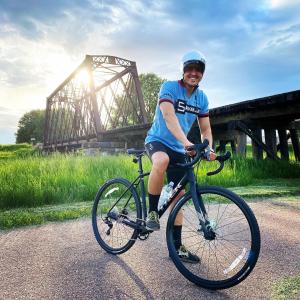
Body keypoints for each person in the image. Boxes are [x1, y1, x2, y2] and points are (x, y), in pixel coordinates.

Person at [144, 50, 217, 263]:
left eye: (198, 70)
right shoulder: (169, 87)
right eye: (189, 69)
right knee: (161, 160)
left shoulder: (202, 98)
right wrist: (187, 143)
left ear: (202, 73)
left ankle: (176, 248)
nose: (193, 73)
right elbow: (168, 116)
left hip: (179, 147)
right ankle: (152, 213)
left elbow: (205, 129)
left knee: (179, 196)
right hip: (157, 140)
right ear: (183, 71)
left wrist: (208, 148)